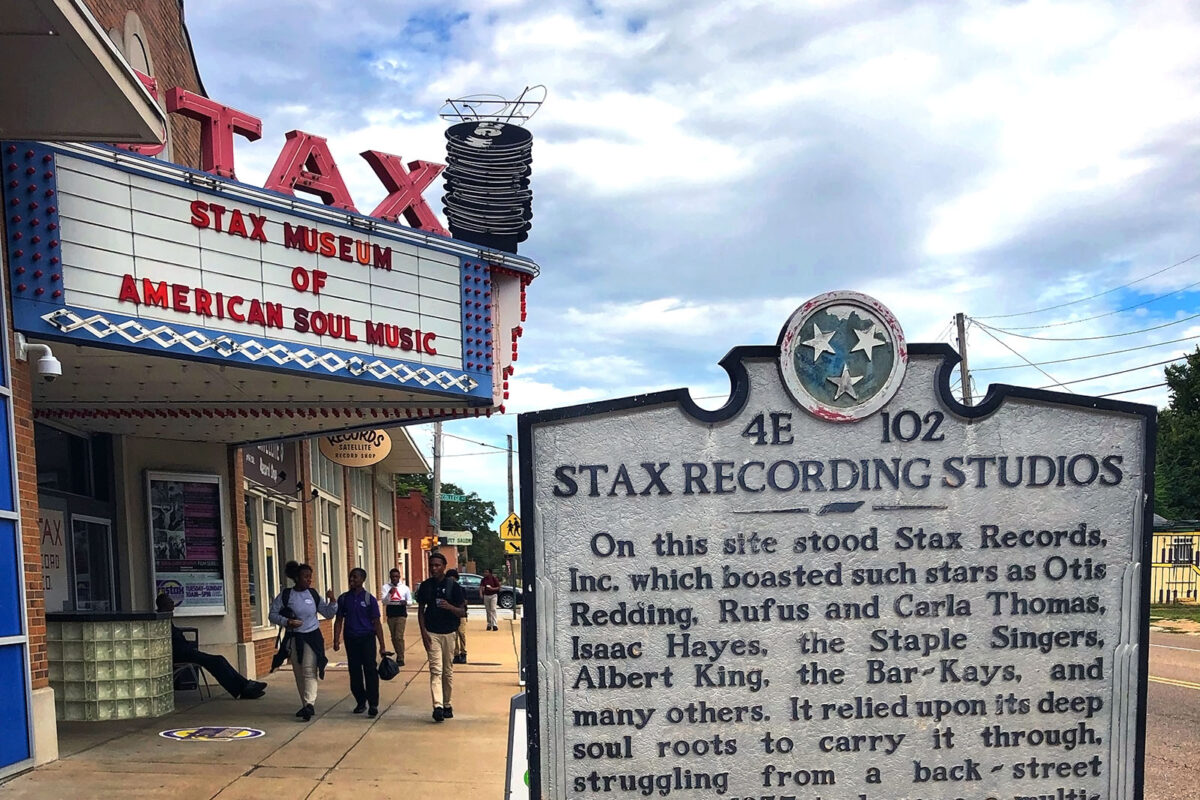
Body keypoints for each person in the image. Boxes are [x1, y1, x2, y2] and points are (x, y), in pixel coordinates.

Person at [157, 593, 266, 700]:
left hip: (186, 651)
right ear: (163, 604)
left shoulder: (167, 618)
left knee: (219, 660)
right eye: (169, 601)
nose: (172, 603)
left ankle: (245, 686)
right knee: (217, 661)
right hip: (180, 653)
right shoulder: (160, 620)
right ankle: (243, 688)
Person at [268, 561, 337, 721]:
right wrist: (287, 622)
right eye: (306, 577)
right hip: (294, 637)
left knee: (309, 669)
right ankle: (305, 704)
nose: (309, 580)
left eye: (310, 577)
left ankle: (310, 704)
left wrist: (332, 601)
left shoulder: (312, 594)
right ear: (297, 578)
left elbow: (327, 613)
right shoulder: (286, 595)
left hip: (312, 637)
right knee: (298, 672)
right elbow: (272, 614)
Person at [332, 567, 390, 717]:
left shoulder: (368, 599)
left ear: (363, 580)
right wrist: (336, 639)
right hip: (351, 639)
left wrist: (382, 645)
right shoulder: (344, 599)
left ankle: (373, 704)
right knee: (355, 672)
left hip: (367, 639)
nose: (352, 580)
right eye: (351, 577)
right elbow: (339, 620)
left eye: (355, 578)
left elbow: (376, 623)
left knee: (370, 671)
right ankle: (360, 701)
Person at [416, 552, 466, 722]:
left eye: (437, 565)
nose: (434, 568)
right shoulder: (425, 586)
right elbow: (421, 610)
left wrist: (449, 607)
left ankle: (447, 703)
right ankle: (437, 706)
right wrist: (423, 633)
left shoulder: (454, 586)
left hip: (449, 633)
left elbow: (462, 611)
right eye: (431, 565)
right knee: (435, 670)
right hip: (432, 632)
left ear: (444, 567)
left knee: (447, 671)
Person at [380, 568, 412, 665]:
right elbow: (384, 601)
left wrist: (405, 602)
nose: (395, 578)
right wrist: (390, 593)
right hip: (391, 613)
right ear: (390, 577)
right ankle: (398, 652)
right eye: (393, 577)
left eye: (397, 576)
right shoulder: (385, 587)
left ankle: (400, 657)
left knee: (399, 636)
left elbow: (410, 601)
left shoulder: (405, 588)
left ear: (399, 577)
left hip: (401, 613)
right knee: (394, 637)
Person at [446, 568, 468, 664]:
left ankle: (463, 653)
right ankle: (456, 654)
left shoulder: (460, 589)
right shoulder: (446, 590)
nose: (452, 580)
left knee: (461, 633)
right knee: (453, 635)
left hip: (461, 614)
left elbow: (465, 602)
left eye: (453, 578)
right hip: (451, 614)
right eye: (450, 578)